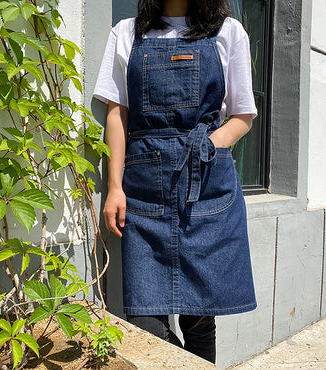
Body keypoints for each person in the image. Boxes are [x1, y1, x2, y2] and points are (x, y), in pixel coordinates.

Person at [94, 0, 257, 364]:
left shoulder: (228, 32)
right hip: (143, 191)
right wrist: (114, 186)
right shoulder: (126, 32)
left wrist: (206, 146)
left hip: (205, 188)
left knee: (200, 321)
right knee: (144, 320)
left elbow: (242, 115)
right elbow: (117, 112)